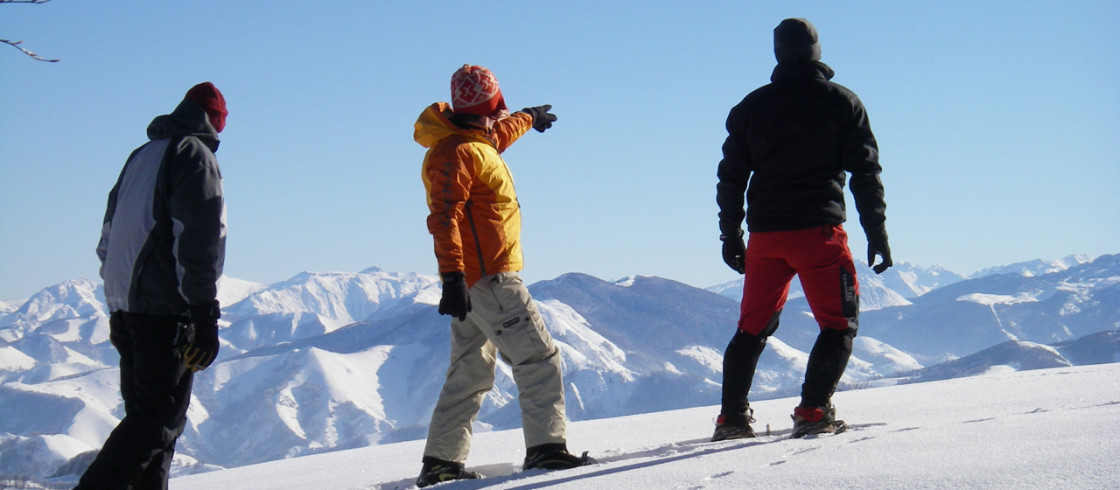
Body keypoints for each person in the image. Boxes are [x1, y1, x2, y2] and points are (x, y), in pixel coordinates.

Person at [713, 19, 892, 441]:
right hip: (819, 235)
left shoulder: (750, 107)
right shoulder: (842, 102)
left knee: (751, 329)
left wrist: (730, 235)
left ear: (777, 53)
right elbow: (866, 172)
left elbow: (730, 178)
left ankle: (732, 420)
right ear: (817, 51)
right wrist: (877, 232)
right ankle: (813, 411)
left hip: (766, 238)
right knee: (838, 325)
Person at [412, 64, 590, 487]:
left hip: (473, 281)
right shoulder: (455, 152)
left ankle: (441, 462)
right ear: (489, 106)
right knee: (539, 359)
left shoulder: (473, 142)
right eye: (498, 108)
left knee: (470, 371)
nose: (499, 116)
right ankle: (547, 451)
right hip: (489, 279)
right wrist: (452, 276)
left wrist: (528, 117)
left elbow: (496, 137)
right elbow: (444, 217)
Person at [78, 82, 227, 489]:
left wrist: (119, 298)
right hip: (165, 312)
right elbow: (197, 240)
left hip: (126, 309)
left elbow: (107, 237)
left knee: (153, 428)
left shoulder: (140, 156)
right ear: (214, 121)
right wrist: (203, 314)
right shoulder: (193, 156)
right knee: (156, 423)